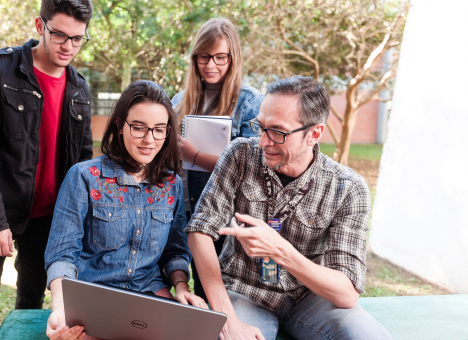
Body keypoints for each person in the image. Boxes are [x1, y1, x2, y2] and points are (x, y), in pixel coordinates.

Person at [186, 76, 393, 340]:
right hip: (245, 291)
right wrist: (227, 318)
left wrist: (280, 251)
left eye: (277, 132)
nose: (262, 141)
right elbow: (200, 231)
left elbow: (347, 292)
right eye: (260, 127)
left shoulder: (349, 188)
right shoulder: (239, 155)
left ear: (314, 133)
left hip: (309, 298)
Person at [0, 0, 94, 338]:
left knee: (31, 306)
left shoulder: (79, 88)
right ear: (39, 25)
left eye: (78, 39)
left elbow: (83, 162)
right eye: (60, 35)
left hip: (47, 219)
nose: (68, 47)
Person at [44, 80, 207, 340]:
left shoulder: (172, 183)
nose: (149, 139)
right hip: (94, 295)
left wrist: (180, 286)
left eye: (158, 130)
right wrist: (61, 308)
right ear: (120, 126)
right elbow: (62, 254)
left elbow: (175, 250)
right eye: (139, 128)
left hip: (149, 294)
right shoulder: (84, 177)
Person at [171, 17, 263, 301]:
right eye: (204, 57)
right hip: (182, 207)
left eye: (220, 57)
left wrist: (194, 155)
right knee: (194, 290)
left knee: (224, 295)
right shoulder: (179, 100)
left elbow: (252, 167)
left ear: (233, 58)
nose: (211, 65)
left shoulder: (249, 102)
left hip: (226, 215)